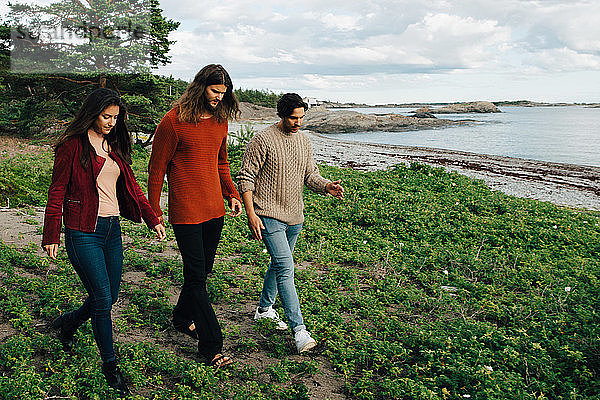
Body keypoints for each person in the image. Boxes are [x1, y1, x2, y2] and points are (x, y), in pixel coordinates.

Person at [42, 88, 166, 396]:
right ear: (92, 113)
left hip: (112, 230)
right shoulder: (72, 145)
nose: (111, 122)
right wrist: (51, 234)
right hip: (82, 230)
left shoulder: (114, 144)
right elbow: (57, 189)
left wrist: (153, 218)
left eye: (115, 117)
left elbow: (133, 186)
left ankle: (68, 323)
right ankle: (110, 367)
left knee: (108, 297)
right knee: (101, 299)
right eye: (105, 116)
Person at [147, 64, 242, 368]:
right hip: (186, 211)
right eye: (215, 91)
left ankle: (181, 317)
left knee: (202, 273)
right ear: (201, 86)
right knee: (197, 278)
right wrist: (154, 211)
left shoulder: (220, 120)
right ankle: (211, 345)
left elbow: (221, 163)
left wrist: (232, 193)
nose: (218, 97)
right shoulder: (173, 121)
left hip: (214, 209)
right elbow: (156, 169)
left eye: (223, 93)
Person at [237, 93, 344, 353]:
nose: (298, 123)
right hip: (268, 214)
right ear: (281, 114)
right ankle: (300, 331)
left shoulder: (304, 141)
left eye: (301, 118)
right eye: (293, 118)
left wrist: (326, 186)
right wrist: (252, 214)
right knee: (286, 268)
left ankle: (264, 309)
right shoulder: (262, 139)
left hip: (295, 216)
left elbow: (310, 175)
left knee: (278, 264)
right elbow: (246, 178)